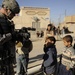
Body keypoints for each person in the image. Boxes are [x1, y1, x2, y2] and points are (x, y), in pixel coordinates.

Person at [0, 0, 20, 75]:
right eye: (13, 13)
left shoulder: (6, 21)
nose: (14, 15)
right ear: (7, 9)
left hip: (7, 60)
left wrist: (17, 36)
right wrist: (11, 35)